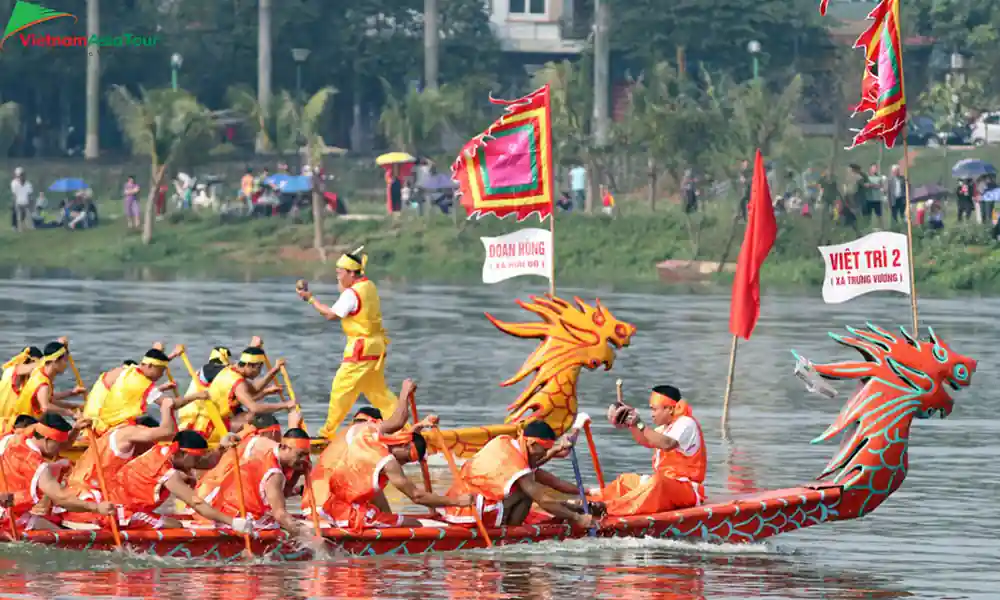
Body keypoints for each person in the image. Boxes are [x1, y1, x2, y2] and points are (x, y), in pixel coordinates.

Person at [316, 402, 471, 530]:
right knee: (415, 524)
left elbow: (396, 438)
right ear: (403, 444)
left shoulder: (367, 434)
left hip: (330, 508)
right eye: (407, 458)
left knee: (385, 510)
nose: (403, 464)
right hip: (352, 516)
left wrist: (418, 427)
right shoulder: (387, 461)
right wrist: (456, 502)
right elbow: (416, 496)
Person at [296, 247, 398, 438]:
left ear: (351, 272)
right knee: (379, 393)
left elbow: (330, 315)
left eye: (340, 273)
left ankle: (327, 433)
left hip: (360, 348)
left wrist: (310, 299)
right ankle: (404, 428)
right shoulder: (369, 286)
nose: (338, 277)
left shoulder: (352, 293)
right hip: (375, 347)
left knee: (340, 389)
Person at [306, 380, 437, 523]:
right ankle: (388, 525)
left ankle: (388, 522)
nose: (361, 427)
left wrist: (417, 428)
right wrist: (404, 392)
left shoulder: (358, 440)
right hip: (329, 508)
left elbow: (394, 443)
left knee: (375, 488)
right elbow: (397, 427)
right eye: (358, 423)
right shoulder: (367, 440)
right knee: (384, 499)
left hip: (317, 504)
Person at [78, 430, 253, 532]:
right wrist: (233, 523)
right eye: (196, 458)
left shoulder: (164, 450)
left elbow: (207, 463)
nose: (199, 463)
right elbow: (196, 502)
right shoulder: (167, 472)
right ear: (182, 454)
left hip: (114, 503)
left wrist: (222, 447)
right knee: (176, 526)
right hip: (121, 512)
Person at [438, 421, 594, 529]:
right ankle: (512, 532)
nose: (543, 455)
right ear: (532, 444)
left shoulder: (503, 441)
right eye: (543, 451)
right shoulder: (517, 464)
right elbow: (543, 499)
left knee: (530, 485)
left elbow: (532, 467)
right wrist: (578, 518)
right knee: (528, 493)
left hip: (456, 507)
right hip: (472, 514)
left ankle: (508, 522)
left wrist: (552, 451)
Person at [593, 385, 706, 516]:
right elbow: (646, 440)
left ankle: (607, 509)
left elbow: (667, 443)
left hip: (687, 490)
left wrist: (640, 423)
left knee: (657, 482)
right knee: (625, 481)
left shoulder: (686, 423)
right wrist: (631, 423)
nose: (652, 414)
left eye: (654, 409)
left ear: (669, 409)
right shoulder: (666, 427)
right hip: (665, 485)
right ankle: (589, 503)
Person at [63, 398, 183, 520]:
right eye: (153, 443)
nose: (151, 450)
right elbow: (168, 432)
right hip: (88, 503)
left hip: (76, 500)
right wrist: (166, 407)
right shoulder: (128, 433)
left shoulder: (120, 436)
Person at [0, 413, 114, 530]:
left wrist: (76, 429)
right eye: (58, 444)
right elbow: (61, 499)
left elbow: (62, 443)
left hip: (8, 508)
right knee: (66, 540)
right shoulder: (36, 465)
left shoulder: (13, 438)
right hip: (10, 519)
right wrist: (96, 508)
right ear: (47, 439)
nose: (61, 449)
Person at [197, 428, 313, 534]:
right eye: (300, 455)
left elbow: (279, 496)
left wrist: (296, 474)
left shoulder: (269, 453)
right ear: (283, 447)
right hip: (236, 517)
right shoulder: (275, 473)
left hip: (219, 507)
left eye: (306, 455)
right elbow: (280, 514)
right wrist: (309, 536)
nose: (303, 459)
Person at [196, 346, 294, 443]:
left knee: (252, 416)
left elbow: (254, 389)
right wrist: (285, 405)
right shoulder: (238, 382)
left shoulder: (231, 370)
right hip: (211, 428)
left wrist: (275, 370)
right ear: (249, 365)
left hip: (211, 421)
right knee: (258, 417)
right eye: (258, 368)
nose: (259, 372)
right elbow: (254, 407)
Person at [90, 347, 185, 435]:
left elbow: (152, 363)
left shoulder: (129, 371)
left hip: (100, 419)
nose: (161, 375)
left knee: (146, 419)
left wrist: (173, 354)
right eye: (161, 371)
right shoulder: (141, 383)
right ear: (150, 366)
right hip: (107, 426)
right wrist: (196, 396)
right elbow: (170, 404)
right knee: (156, 429)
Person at [13, 341, 85, 421]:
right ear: (55, 361)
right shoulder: (43, 383)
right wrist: (70, 413)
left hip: (26, 419)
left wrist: (71, 393)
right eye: (65, 360)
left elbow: (49, 398)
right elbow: (46, 407)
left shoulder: (40, 369)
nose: (66, 364)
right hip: (23, 426)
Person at [0, 346, 44, 433]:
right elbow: (24, 369)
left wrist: (70, 393)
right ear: (29, 361)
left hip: (11, 422)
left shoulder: (26, 381)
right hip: (4, 424)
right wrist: (52, 357)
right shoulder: (12, 370)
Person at [11, 167, 33, 232]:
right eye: (19, 176)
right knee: (18, 217)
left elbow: (30, 195)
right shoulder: (14, 183)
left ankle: (29, 227)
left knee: (27, 216)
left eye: (22, 175)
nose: (20, 177)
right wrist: (14, 203)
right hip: (18, 202)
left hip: (26, 203)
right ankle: (18, 228)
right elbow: (14, 194)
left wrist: (30, 203)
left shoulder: (28, 184)